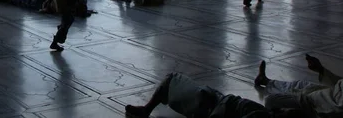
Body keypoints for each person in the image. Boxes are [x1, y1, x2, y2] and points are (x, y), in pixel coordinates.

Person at [124, 72, 302, 118]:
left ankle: (147, 110)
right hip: (215, 100)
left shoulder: (262, 115)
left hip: (211, 103)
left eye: (287, 112)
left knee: (172, 79)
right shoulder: (266, 112)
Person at [255, 54, 343, 117]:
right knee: (299, 84)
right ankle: (265, 80)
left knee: (271, 101)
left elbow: (336, 109)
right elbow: (338, 83)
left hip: (316, 104)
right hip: (325, 91)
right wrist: (320, 69)